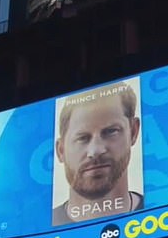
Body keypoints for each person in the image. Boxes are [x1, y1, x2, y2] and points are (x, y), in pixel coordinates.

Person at [53, 81, 143, 226]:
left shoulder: (163, 208)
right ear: (60, 150)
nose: (95, 151)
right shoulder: (32, 228)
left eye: (111, 131)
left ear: (133, 131)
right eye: (82, 138)